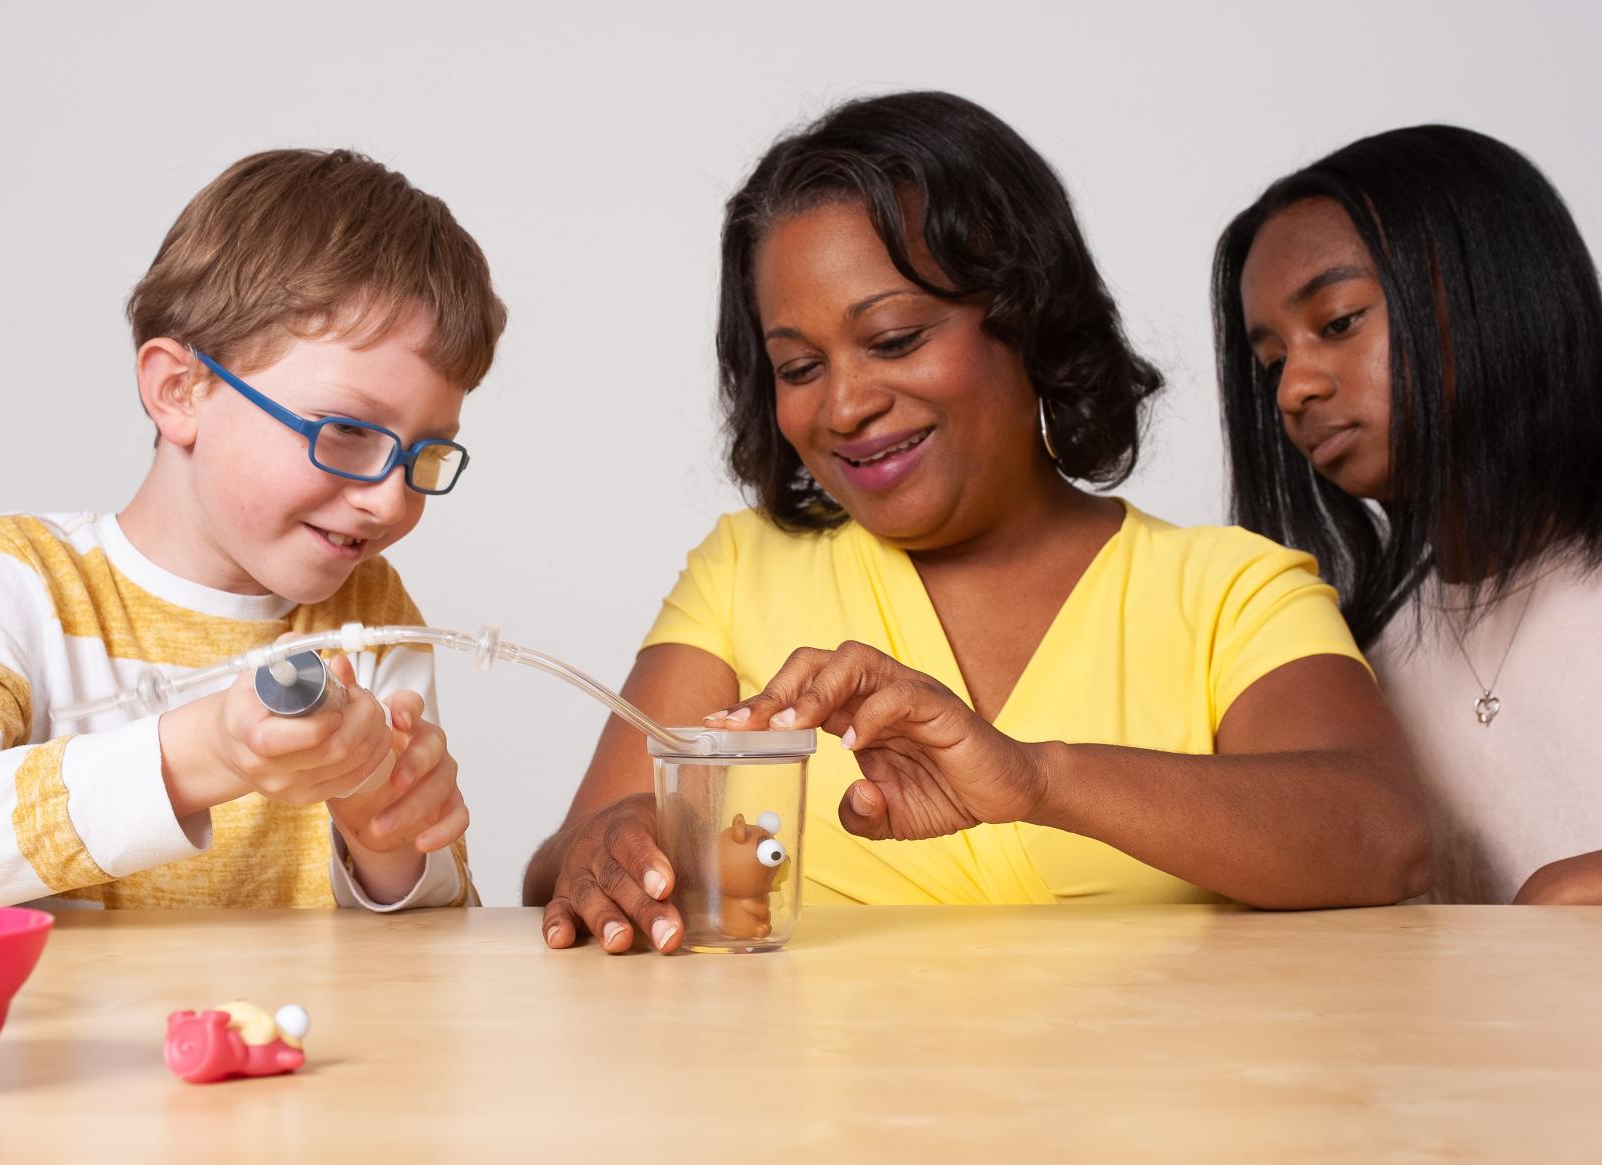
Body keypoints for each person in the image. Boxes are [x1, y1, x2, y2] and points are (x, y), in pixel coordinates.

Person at [526, 92, 1429, 953]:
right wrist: (616, 844)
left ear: (1025, 319)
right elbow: (562, 864)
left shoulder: (1231, 589)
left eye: (894, 340)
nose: (843, 406)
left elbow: (1386, 834)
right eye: (798, 367)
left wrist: (1038, 780)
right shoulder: (742, 572)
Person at [0, 149, 503, 910]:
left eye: (424, 454)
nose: (388, 501)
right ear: (179, 390)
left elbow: (440, 948)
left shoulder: (369, 622)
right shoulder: (19, 581)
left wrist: (390, 847)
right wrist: (197, 755)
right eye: (344, 430)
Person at [1216, 125, 1602, 904]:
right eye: (1272, 362)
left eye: (1338, 322)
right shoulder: (1354, 657)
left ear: (1488, 287)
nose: (1295, 389)